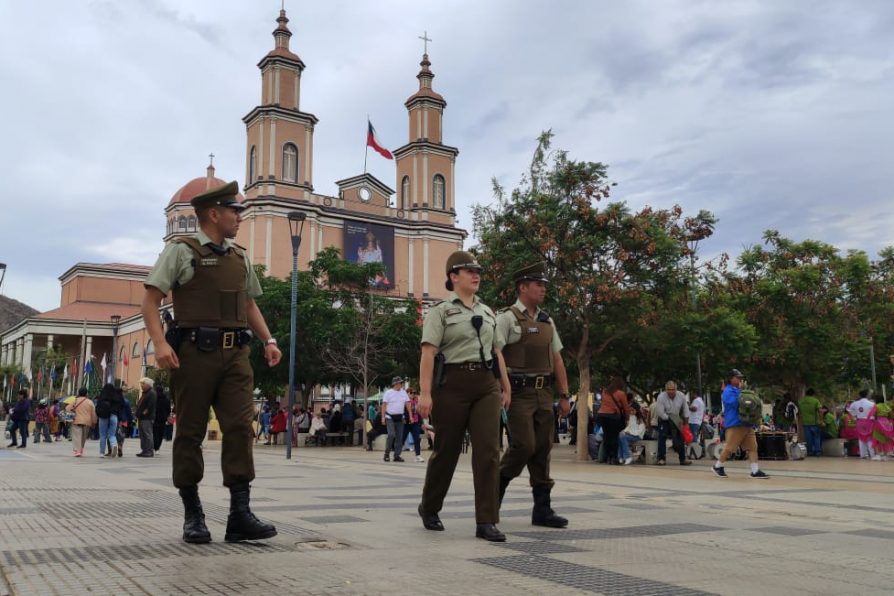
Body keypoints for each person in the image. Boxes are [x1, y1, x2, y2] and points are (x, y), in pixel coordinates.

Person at [141, 180, 281, 544]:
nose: (239, 216)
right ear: (214, 214)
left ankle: (239, 514)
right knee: (189, 432)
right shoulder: (181, 251)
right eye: (234, 210)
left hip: (237, 354)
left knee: (239, 428)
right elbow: (150, 300)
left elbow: (249, 304)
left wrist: (269, 339)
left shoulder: (240, 257)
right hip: (193, 354)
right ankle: (193, 514)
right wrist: (159, 343)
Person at [416, 251, 512, 542]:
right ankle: (429, 507)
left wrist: (505, 386)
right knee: (447, 450)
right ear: (453, 277)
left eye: (478, 270)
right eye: (468, 270)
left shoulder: (487, 311)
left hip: (486, 384)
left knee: (488, 451)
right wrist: (425, 393)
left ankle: (486, 520)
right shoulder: (441, 311)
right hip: (452, 384)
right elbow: (428, 353)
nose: (476, 274)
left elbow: (497, 352)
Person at [495, 262, 571, 528]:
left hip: (544, 393)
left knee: (542, 449)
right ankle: (493, 497)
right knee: (523, 445)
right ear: (522, 287)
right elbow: (496, 354)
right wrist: (504, 388)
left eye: (544, 285)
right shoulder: (506, 318)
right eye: (538, 284)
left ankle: (542, 510)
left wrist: (564, 395)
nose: (542, 289)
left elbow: (557, 358)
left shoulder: (547, 320)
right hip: (518, 393)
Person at [712, 369, 769, 479]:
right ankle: (717, 466)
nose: (740, 379)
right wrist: (742, 393)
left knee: (753, 447)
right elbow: (736, 404)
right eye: (737, 377)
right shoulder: (728, 391)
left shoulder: (740, 390)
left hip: (747, 423)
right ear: (730, 378)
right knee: (730, 448)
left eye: (740, 377)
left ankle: (755, 470)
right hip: (735, 423)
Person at [596, 377, 631, 465]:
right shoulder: (621, 393)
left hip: (602, 416)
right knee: (614, 438)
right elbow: (626, 408)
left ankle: (608, 457)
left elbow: (603, 404)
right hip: (613, 417)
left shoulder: (604, 392)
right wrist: (627, 419)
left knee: (607, 437)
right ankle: (614, 458)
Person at [655, 381, 691, 466]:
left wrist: (686, 424)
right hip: (664, 418)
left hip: (676, 418)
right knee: (662, 437)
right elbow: (660, 412)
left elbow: (686, 410)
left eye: (673, 389)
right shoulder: (661, 397)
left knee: (679, 438)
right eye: (669, 389)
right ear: (666, 389)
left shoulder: (681, 395)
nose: (671, 391)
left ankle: (682, 459)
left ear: (676, 389)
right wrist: (670, 418)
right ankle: (661, 458)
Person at [382, 377, 409, 462]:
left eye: (401, 383)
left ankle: (397, 455)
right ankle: (386, 453)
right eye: (398, 383)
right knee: (391, 435)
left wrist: (411, 416)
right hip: (390, 417)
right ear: (394, 384)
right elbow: (384, 405)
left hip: (400, 417)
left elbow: (407, 404)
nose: (400, 384)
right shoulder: (388, 393)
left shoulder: (403, 392)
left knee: (399, 437)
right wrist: (383, 417)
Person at [67, 388, 97, 457]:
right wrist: (94, 422)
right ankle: (81, 449)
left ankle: (78, 450)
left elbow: (67, 409)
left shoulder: (75, 401)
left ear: (79, 393)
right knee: (83, 437)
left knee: (77, 436)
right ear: (86, 393)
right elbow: (93, 413)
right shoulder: (90, 402)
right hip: (87, 422)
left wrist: (73, 410)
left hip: (76, 420)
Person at [848, 390, 877, 459]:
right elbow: (875, 412)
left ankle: (863, 455)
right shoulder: (872, 403)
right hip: (869, 421)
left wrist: (855, 416)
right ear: (867, 395)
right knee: (869, 438)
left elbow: (849, 410)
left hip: (859, 421)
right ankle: (872, 454)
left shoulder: (855, 403)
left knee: (861, 438)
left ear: (860, 395)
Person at [95, 384, 119, 458]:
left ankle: (102, 453)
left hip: (103, 416)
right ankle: (114, 444)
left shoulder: (101, 397)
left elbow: (97, 407)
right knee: (112, 434)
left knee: (103, 435)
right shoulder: (116, 397)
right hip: (114, 416)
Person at [135, 378, 157, 457]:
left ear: (148, 385)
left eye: (143, 384)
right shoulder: (145, 393)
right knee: (142, 434)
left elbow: (150, 405)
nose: (141, 386)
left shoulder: (151, 393)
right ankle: (144, 450)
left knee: (147, 434)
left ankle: (149, 451)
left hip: (147, 418)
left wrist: (144, 412)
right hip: (142, 417)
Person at [799, 388, 823, 457]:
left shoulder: (801, 401)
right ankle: (818, 451)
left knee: (808, 438)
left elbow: (798, 411)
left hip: (805, 422)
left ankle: (810, 451)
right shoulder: (815, 401)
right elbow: (820, 411)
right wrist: (821, 420)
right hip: (814, 422)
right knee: (816, 437)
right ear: (813, 394)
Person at [403, 388, 424, 462]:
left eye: (414, 393)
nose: (413, 394)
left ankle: (418, 456)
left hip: (415, 423)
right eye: (411, 393)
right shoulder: (404, 402)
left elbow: (419, 413)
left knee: (417, 439)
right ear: (407, 393)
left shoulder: (416, 402)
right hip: (407, 423)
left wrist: (421, 423)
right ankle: (397, 454)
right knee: (402, 439)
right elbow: (402, 412)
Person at [154, 389, 172, 453]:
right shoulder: (167, 400)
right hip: (163, 419)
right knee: (161, 433)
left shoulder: (154, 399)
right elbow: (169, 410)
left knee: (155, 433)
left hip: (155, 419)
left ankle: (155, 447)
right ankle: (158, 447)